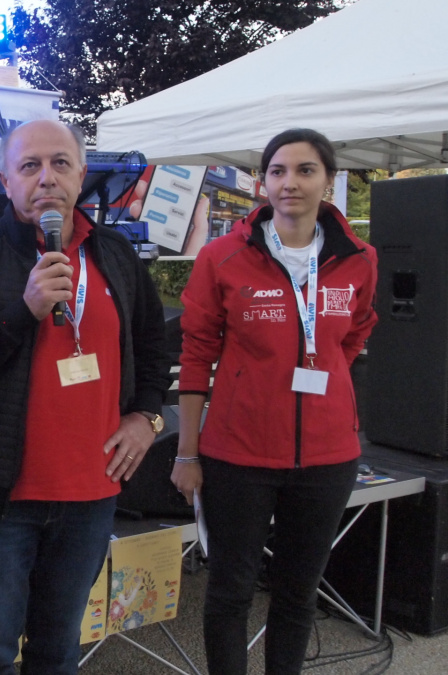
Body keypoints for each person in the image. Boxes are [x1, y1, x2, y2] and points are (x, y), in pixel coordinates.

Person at [0, 119, 171, 674]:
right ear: (6, 181)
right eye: (30, 166)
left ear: (81, 174)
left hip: (91, 493)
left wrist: (147, 416)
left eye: (60, 163)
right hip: (2, 498)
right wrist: (22, 311)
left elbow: (154, 346)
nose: (46, 177)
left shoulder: (115, 255)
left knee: (58, 651)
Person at [172, 128, 377, 675]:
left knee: (298, 593)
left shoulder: (360, 258)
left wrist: (323, 370)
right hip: (238, 454)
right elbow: (196, 355)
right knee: (230, 590)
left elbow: (355, 333)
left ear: (328, 181)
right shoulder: (222, 256)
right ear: (263, 182)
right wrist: (187, 453)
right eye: (278, 171)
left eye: (306, 170)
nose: (290, 183)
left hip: (328, 458)